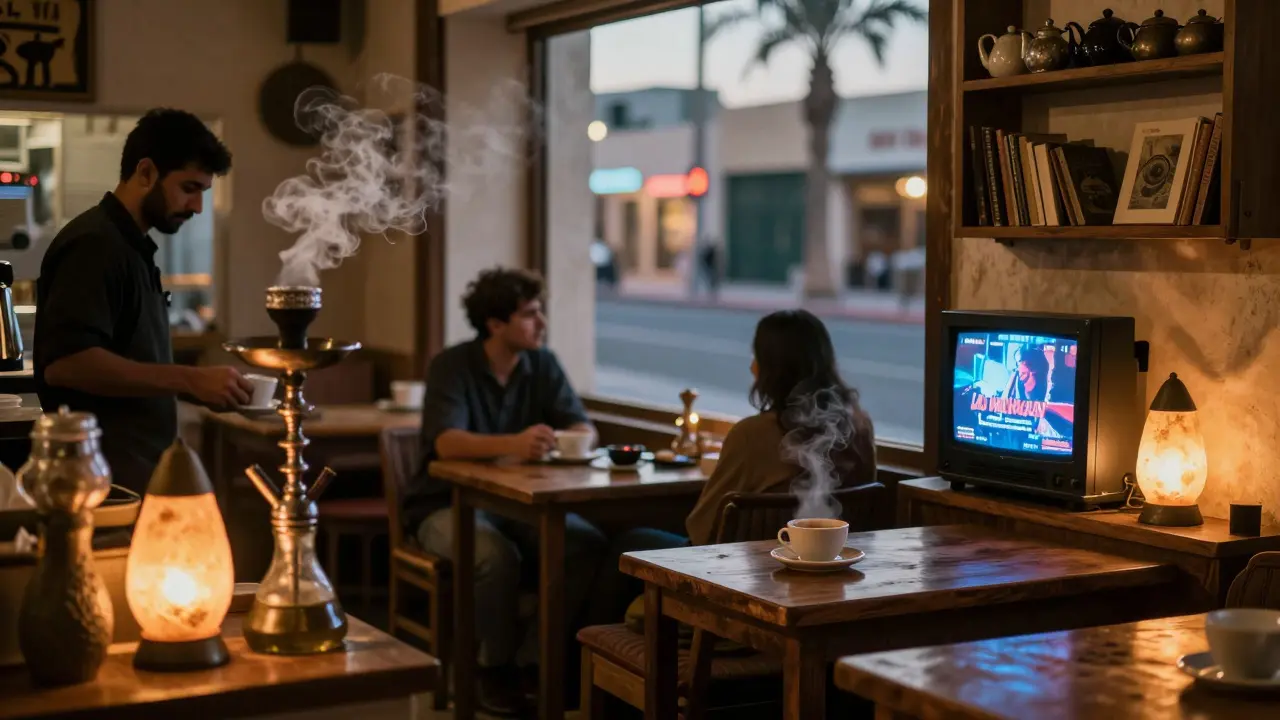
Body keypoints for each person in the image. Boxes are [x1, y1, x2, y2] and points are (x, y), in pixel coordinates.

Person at [588, 308, 877, 625]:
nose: (752, 366)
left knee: (627, 542)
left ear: (772, 370)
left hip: (735, 589)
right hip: (827, 593)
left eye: (757, 358)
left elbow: (701, 530)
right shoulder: (859, 428)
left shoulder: (753, 434)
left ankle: (588, 655)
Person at [404, 266, 605, 716]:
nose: (542, 323)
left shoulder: (542, 363)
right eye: (531, 314)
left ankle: (532, 663)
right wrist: (513, 444)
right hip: (443, 503)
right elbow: (446, 442)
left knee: (585, 544)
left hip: (518, 503)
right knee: (494, 557)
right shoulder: (452, 365)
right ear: (495, 324)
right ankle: (489, 670)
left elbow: (582, 425)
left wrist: (573, 442)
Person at [34, 109, 252, 493]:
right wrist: (188, 378)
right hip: (100, 482)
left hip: (134, 473)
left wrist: (194, 388)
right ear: (146, 172)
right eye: (189, 188)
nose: (197, 207)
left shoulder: (132, 246)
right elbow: (67, 364)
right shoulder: (96, 244)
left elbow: (129, 363)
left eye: (203, 192)